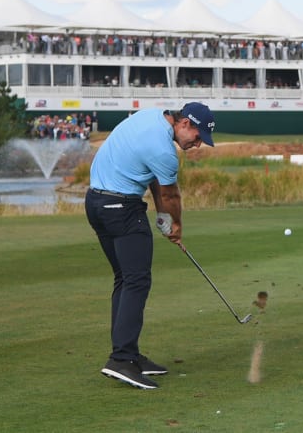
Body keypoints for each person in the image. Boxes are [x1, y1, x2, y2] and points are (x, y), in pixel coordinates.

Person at [85, 102, 216, 390]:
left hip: (95, 203)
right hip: (122, 208)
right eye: (197, 137)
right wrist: (176, 226)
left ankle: (128, 355)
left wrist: (161, 218)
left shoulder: (150, 117)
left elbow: (156, 181)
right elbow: (170, 195)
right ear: (184, 124)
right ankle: (120, 359)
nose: (196, 145)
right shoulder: (165, 150)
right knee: (137, 280)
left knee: (125, 278)